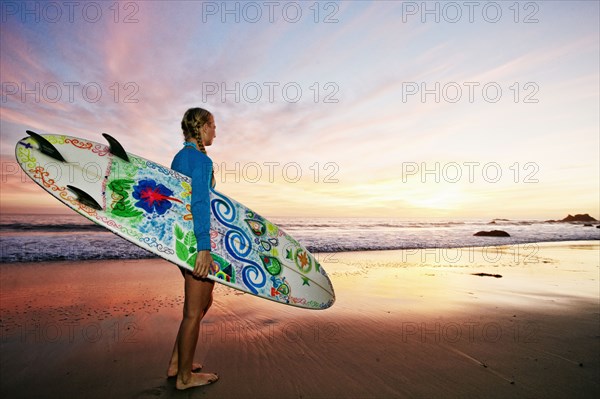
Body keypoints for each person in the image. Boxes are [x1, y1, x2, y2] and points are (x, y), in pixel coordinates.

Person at [167, 107, 219, 390]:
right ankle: (184, 378)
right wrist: (204, 247)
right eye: (212, 125)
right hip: (194, 242)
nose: (215, 131)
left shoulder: (179, 156)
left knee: (204, 301)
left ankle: (178, 362)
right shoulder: (199, 159)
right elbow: (199, 202)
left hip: (180, 239)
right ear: (200, 127)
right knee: (193, 310)